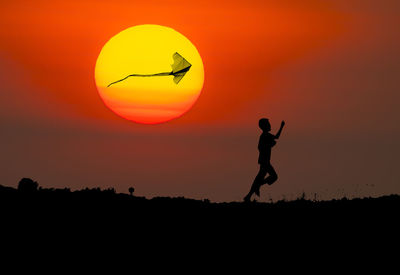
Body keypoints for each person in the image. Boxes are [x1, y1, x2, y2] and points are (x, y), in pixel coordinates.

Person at [244, 118, 285, 202]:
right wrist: (281, 127)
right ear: (265, 126)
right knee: (273, 176)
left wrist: (270, 145)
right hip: (265, 161)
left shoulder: (265, 135)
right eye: (268, 124)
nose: (270, 125)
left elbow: (265, 145)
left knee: (259, 178)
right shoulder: (265, 136)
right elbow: (262, 147)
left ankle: (248, 196)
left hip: (264, 161)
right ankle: (255, 189)